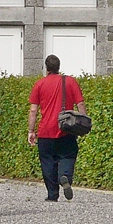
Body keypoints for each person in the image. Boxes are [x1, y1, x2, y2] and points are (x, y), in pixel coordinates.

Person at [28, 54, 87, 202]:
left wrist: (31, 131)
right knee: (68, 154)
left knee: (47, 161)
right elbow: (80, 104)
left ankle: (52, 195)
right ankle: (65, 175)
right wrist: (84, 122)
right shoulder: (70, 82)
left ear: (46, 68)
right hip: (67, 128)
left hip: (45, 130)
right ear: (59, 67)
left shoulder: (39, 84)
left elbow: (33, 110)